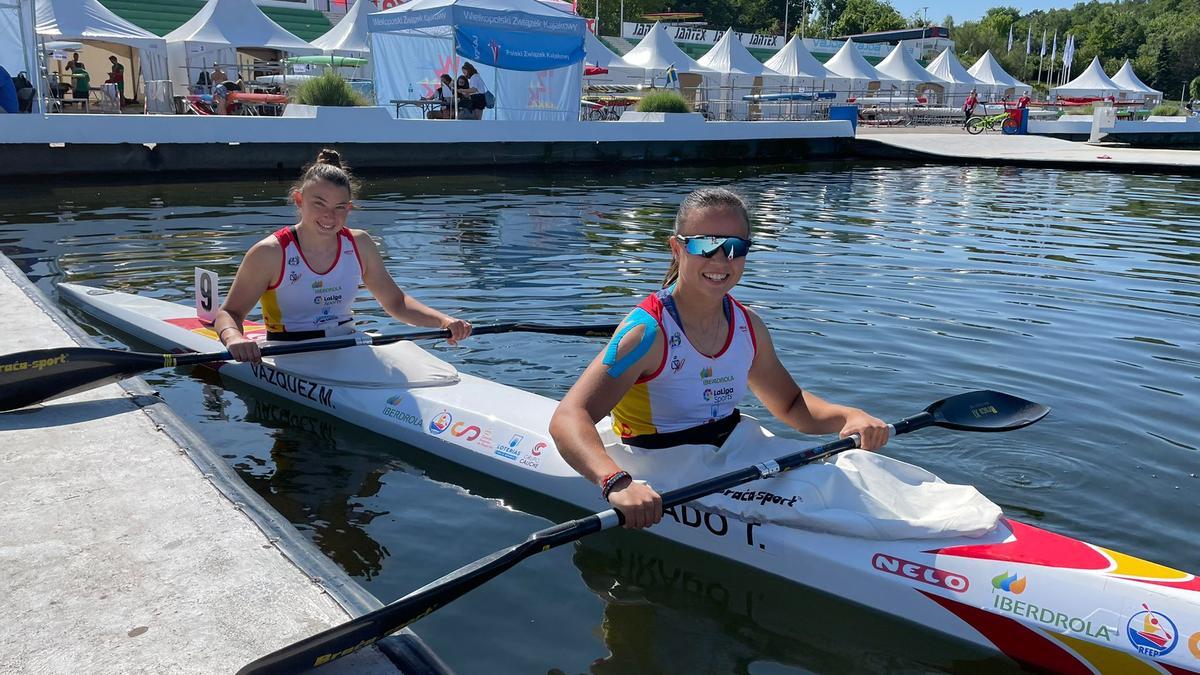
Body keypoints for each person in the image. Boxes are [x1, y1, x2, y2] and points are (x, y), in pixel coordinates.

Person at [548, 187, 889, 529]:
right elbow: (568, 416)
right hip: (660, 461)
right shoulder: (645, 333)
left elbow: (792, 406)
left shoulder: (748, 325)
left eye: (735, 248)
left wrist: (848, 416)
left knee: (863, 478)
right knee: (830, 503)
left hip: (733, 449)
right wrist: (615, 482)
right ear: (677, 248)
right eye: (704, 244)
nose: (721, 260)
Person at [214, 149, 472, 362]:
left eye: (340, 207)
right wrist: (234, 338)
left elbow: (396, 302)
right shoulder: (269, 253)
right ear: (298, 200)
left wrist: (443, 320)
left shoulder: (360, 244)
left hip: (348, 344)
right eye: (319, 204)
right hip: (288, 352)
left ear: (349, 208)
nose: (330, 216)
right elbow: (230, 313)